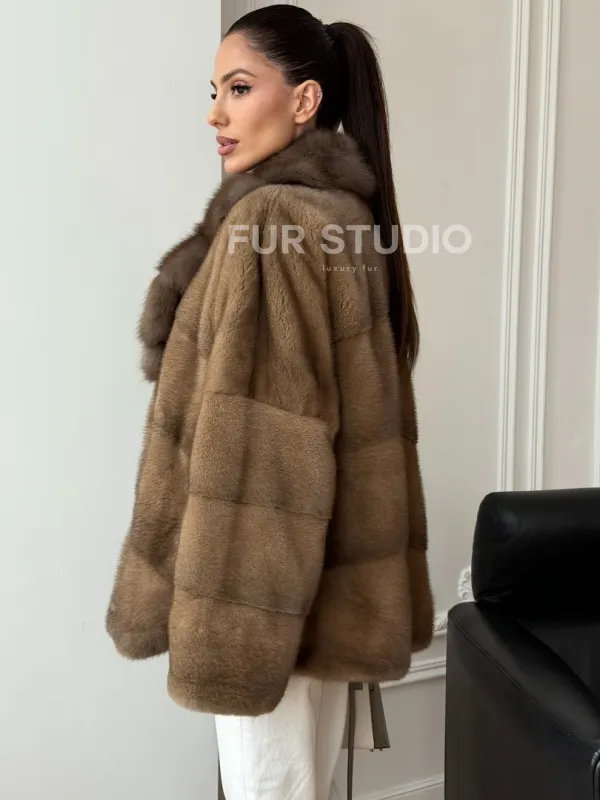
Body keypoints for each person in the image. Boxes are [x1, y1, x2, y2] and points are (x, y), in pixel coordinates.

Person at [105, 4, 434, 799]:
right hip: (315, 596)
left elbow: (262, 459)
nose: (215, 114)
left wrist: (235, 639)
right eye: (214, 90)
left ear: (306, 100)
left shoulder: (271, 223)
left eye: (240, 87)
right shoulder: (341, 218)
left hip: (258, 609)